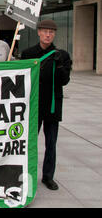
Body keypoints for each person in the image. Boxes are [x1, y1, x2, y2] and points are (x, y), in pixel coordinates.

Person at [21, 19, 72, 191]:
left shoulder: (62, 55)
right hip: (34, 105)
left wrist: (59, 66)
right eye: (45, 31)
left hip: (52, 105)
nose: (48, 34)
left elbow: (65, 81)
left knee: (51, 142)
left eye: (51, 32)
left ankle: (48, 176)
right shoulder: (28, 53)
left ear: (54, 34)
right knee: (30, 141)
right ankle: (27, 172)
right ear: (39, 32)